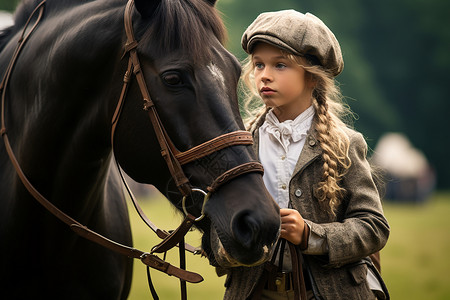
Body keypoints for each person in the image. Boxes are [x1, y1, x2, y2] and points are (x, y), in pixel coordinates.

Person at [221, 10, 390, 300]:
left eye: (280, 65)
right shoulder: (240, 145)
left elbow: (373, 228)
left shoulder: (345, 144)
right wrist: (232, 246)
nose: (265, 75)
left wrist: (310, 235)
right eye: (259, 65)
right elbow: (219, 226)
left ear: (312, 77)